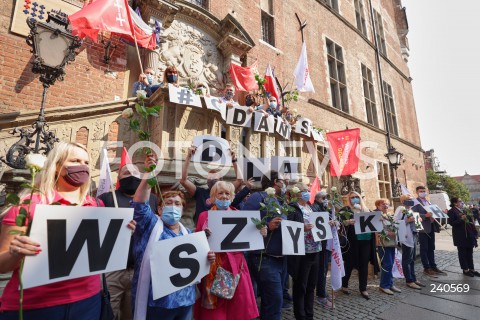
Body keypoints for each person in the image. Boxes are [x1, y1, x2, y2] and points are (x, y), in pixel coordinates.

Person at [0, 142, 131, 319]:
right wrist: (16, 253)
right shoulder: (28, 204)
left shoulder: (96, 205)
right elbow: (2, 265)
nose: (82, 166)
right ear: (57, 166)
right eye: (75, 160)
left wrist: (120, 233)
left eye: (86, 162)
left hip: (88, 301)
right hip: (36, 307)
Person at [131, 154, 215, 319]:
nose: (173, 207)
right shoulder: (150, 226)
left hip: (185, 301)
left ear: (182, 210)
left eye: (177, 204)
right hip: (157, 303)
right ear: (160, 210)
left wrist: (207, 258)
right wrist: (149, 173)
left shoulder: (189, 235)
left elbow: (197, 264)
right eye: (168, 203)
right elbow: (140, 203)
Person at [194, 181, 262, 320]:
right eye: (220, 193)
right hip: (212, 267)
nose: (224, 196)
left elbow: (250, 238)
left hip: (235, 267)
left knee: (236, 308)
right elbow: (197, 243)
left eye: (227, 193)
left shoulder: (239, 214)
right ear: (213, 196)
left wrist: (261, 232)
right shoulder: (204, 216)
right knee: (216, 312)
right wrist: (203, 236)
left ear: (232, 197)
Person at [98, 163, 158, 320]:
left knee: (132, 314)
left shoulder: (152, 199)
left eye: (134, 172)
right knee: (109, 312)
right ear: (118, 178)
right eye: (126, 173)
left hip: (140, 269)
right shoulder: (106, 198)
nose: (130, 175)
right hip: (112, 269)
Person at [242, 171, 288, 320]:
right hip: (264, 257)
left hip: (281, 257)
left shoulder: (280, 201)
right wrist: (267, 226)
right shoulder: (258, 197)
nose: (285, 182)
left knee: (270, 301)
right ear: (275, 181)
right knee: (276, 300)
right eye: (283, 180)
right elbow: (244, 223)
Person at [180, 146, 248, 223]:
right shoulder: (200, 192)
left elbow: (240, 180)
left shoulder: (226, 190)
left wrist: (234, 160)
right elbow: (183, 180)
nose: (212, 181)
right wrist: (188, 157)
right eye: (209, 179)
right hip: (204, 229)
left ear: (220, 180)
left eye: (215, 179)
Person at [287, 184, 320, 320]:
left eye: (308, 190)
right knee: (301, 285)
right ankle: (300, 315)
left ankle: (309, 314)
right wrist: (302, 227)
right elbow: (287, 228)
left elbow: (319, 223)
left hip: (316, 249)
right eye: (304, 191)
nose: (307, 192)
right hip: (302, 252)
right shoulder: (292, 208)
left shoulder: (312, 207)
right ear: (296, 193)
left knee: (312, 285)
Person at [339, 191, 378, 300]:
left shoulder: (366, 210)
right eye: (352, 197)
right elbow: (339, 222)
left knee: (364, 265)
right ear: (349, 199)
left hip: (366, 241)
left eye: (356, 197)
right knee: (350, 264)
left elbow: (373, 224)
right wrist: (347, 222)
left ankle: (363, 288)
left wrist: (378, 220)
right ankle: (344, 284)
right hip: (353, 241)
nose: (354, 199)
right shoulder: (345, 210)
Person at [412, 186, 447, 277]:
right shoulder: (416, 202)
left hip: (431, 227)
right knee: (424, 249)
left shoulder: (428, 201)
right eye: (421, 191)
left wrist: (441, 212)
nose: (423, 192)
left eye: (424, 191)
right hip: (423, 228)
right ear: (417, 192)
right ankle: (426, 268)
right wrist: (425, 215)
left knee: (431, 247)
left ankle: (433, 266)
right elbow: (414, 214)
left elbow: (434, 211)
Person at [394, 194, 425, 289]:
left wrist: (418, 219)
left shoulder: (410, 209)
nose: (411, 201)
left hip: (414, 235)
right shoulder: (400, 209)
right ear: (403, 201)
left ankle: (413, 278)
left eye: (412, 199)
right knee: (407, 259)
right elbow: (395, 222)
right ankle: (409, 280)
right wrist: (408, 220)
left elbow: (413, 220)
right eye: (409, 199)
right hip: (406, 236)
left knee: (412, 259)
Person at [311, 191, 333, 309]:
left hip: (325, 242)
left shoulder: (324, 208)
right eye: (325, 198)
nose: (326, 200)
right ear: (319, 198)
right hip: (320, 244)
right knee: (321, 269)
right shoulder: (314, 208)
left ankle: (322, 291)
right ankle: (321, 294)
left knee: (324, 269)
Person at [375, 198, 401, 295]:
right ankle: (384, 285)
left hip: (392, 243)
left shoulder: (390, 215)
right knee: (387, 264)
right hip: (383, 243)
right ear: (378, 206)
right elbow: (377, 230)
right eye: (383, 204)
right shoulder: (377, 216)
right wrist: (388, 233)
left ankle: (390, 284)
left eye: (387, 204)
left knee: (391, 264)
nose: (385, 205)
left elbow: (395, 227)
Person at [447, 197, 479, 277]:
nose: (462, 202)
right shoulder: (451, 211)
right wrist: (461, 219)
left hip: (468, 235)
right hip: (460, 236)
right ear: (455, 203)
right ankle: (465, 269)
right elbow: (452, 223)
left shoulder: (464, 210)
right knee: (462, 253)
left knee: (469, 253)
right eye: (460, 201)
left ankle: (472, 269)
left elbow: (470, 221)